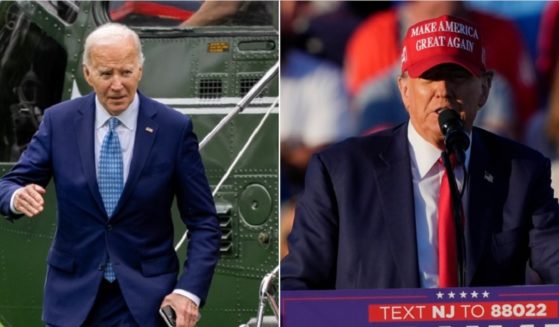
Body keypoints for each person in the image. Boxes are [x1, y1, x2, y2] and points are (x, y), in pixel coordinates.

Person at [281, 15, 559, 290]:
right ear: (404, 90)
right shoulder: (341, 173)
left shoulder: (520, 172)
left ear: (485, 88)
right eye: (429, 77)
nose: (443, 91)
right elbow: (299, 284)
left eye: (457, 77)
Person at [0, 23, 220, 327]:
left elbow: (204, 221)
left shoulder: (173, 128)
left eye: (126, 72)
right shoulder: (59, 122)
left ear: (140, 70)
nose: (117, 85)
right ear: (88, 74)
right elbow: (9, 183)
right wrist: (15, 196)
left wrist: (189, 292)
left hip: (146, 306)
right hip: (72, 304)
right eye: (106, 74)